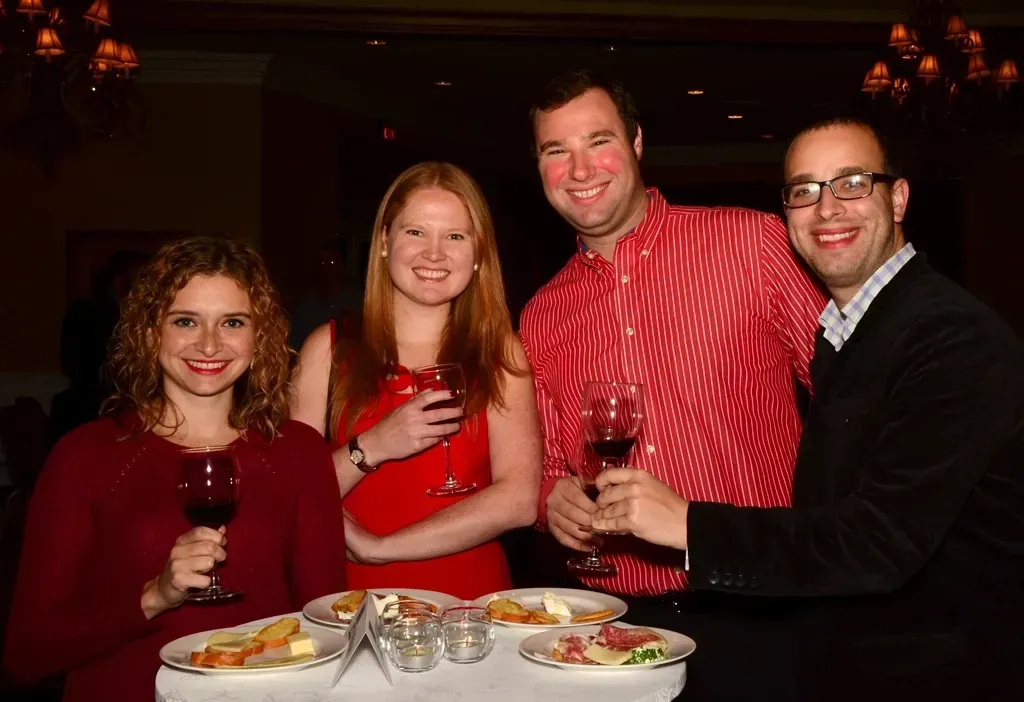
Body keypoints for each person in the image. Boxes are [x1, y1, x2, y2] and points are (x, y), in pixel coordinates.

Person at [592, 118, 1024, 700]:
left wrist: (689, 524)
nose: (827, 209)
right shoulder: (846, 332)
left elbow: (879, 541)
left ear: (897, 198)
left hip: (942, 672)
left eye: (851, 183)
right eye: (805, 191)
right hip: (852, 659)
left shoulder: (952, 336)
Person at [519, 69, 825, 698]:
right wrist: (553, 501)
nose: (580, 170)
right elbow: (548, 464)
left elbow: (848, 397)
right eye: (557, 151)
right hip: (613, 628)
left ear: (635, 142)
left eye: (597, 141)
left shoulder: (752, 244)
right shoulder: (541, 314)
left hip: (757, 609)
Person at [3, 237, 346, 702]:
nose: (209, 343)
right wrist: (153, 597)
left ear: (259, 335)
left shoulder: (299, 452)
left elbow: (325, 627)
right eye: (185, 321)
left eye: (232, 322)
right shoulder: (85, 456)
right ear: (150, 332)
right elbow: (25, 654)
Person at [290, 162, 541, 600]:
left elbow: (519, 501)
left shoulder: (499, 352)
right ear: (384, 241)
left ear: (479, 253)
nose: (434, 254)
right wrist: (374, 447)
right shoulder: (328, 349)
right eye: (416, 232)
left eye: (455, 236)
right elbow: (289, 499)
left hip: (470, 608)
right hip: (352, 606)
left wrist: (382, 549)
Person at [47, 249, 149, 448]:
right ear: (120, 282)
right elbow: (89, 365)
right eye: (142, 280)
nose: (149, 289)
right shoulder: (97, 313)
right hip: (93, 413)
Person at [288, 240, 361, 350]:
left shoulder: (357, 302)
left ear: (341, 266)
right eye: (321, 263)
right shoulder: (305, 308)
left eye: (331, 262)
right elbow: (294, 346)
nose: (326, 268)